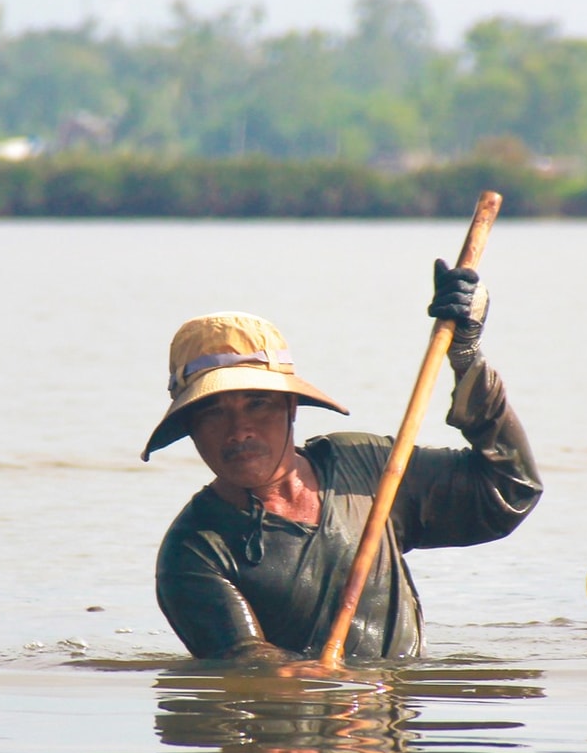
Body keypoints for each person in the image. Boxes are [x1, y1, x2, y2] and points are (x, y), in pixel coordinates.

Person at [143, 262, 542, 664]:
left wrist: (467, 356)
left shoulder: (367, 468)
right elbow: (249, 663)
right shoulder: (193, 551)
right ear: (189, 427)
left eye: (258, 403)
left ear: (291, 406)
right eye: (212, 412)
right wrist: (327, 686)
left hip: (397, 718)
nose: (239, 430)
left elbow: (510, 490)